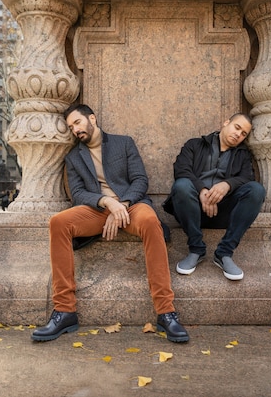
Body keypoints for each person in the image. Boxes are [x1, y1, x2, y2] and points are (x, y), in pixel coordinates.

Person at [31, 104, 189, 344]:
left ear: (91, 118)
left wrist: (121, 205)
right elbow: (78, 194)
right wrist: (106, 202)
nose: (75, 129)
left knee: (149, 221)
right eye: (71, 127)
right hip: (97, 210)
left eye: (77, 122)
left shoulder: (123, 143)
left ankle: (166, 312)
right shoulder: (74, 157)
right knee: (58, 222)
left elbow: (140, 180)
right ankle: (64, 311)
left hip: (132, 206)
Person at [163, 113, 265, 281]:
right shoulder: (195, 145)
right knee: (181, 185)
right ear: (226, 123)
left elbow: (248, 177)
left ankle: (224, 253)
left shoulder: (242, 154)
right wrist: (202, 191)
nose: (238, 134)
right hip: (191, 209)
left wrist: (227, 185)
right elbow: (181, 169)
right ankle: (196, 249)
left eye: (243, 134)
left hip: (224, 212)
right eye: (237, 127)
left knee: (256, 190)